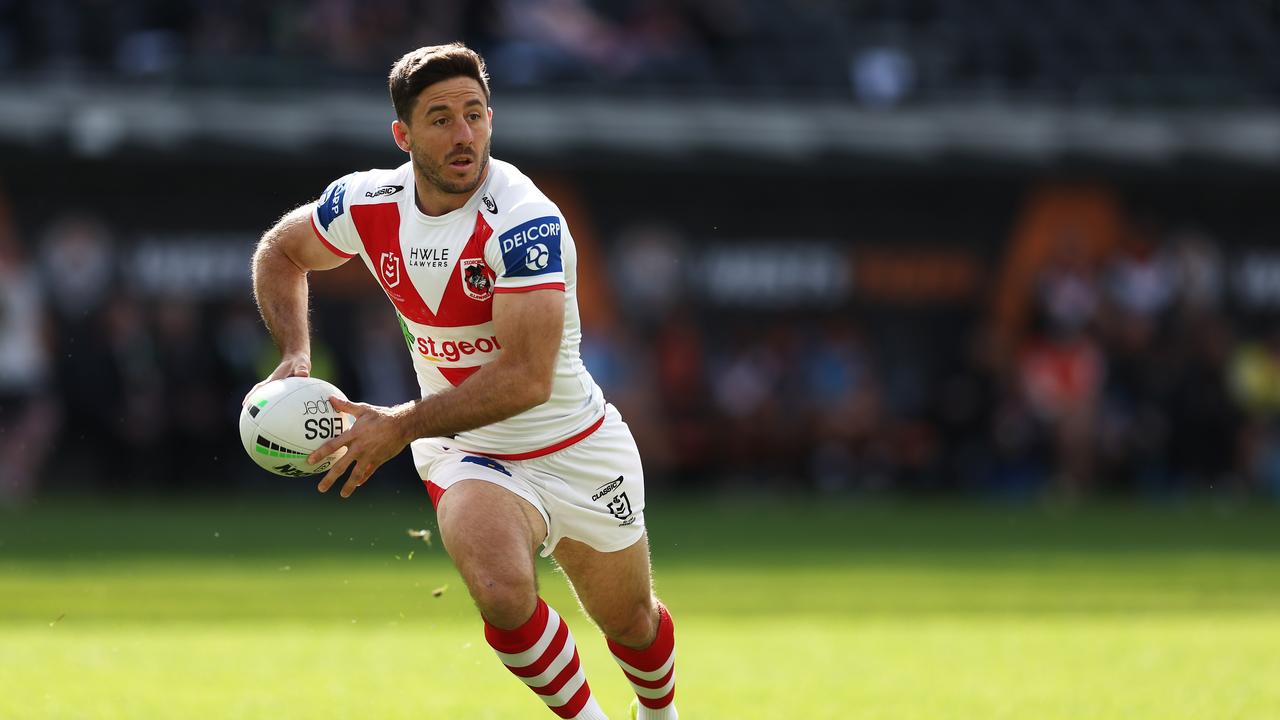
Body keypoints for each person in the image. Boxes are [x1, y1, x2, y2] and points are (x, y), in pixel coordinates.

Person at [245, 43, 678, 720]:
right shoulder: (369, 201)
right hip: (466, 449)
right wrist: (296, 355)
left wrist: (399, 425)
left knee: (632, 623)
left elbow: (527, 380)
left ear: (492, 121)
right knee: (502, 594)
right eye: (441, 118)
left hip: (573, 441)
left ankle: (659, 712)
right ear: (403, 134)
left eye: (474, 114)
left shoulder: (525, 220)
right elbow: (281, 251)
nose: (463, 134)